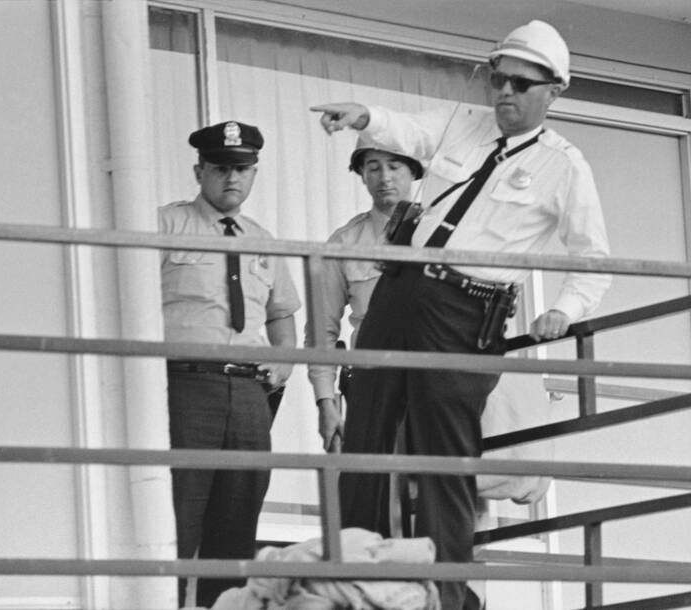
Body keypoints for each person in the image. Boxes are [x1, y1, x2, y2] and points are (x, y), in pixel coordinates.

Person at [311, 20, 611, 610]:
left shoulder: (564, 165)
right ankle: (354, 582)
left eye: (521, 84)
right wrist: (363, 115)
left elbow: (593, 257)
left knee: (442, 459)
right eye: (498, 79)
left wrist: (563, 309)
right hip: (401, 289)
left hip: (465, 309)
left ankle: (443, 597)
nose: (505, 93)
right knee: (366, 440)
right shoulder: (465, 123)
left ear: (554, 91)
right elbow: (410, 130)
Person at [159, 120, 301, 607]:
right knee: (176, 518)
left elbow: (282, 315)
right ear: (199, 171)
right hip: (185, 385)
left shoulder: (262, 239)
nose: (232, 178)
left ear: (254, 174)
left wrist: (284, 363)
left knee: (237, 519)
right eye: (220, 168)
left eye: (242, 169)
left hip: (247, 394)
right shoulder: (165, 226)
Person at [305, 136, 423, 452]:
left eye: (394, 166)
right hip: (374, 383)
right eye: (373, 168)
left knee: (440, 477)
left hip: (436, 382)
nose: (384, 177)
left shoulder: (447, 234)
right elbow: (321, 330)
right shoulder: (345, 243)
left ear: (413, 171)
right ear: (362, 175)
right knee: (372, 478)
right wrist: (326, 401)